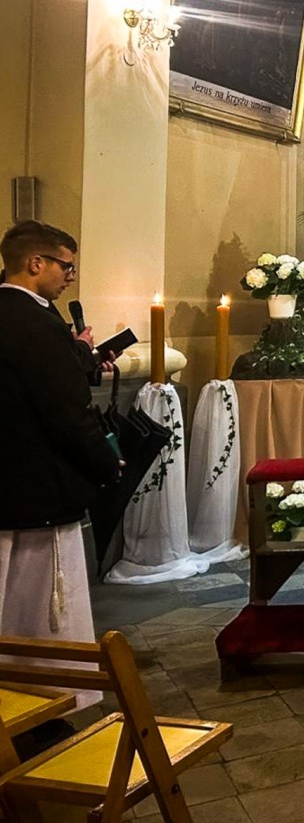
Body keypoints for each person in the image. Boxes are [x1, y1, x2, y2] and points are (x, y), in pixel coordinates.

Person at [0, 220, 123, 709]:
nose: (69, 277)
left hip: (8, 485)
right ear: (36, 264)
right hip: (40, 491)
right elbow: (66, 413)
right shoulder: (37, 322)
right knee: (41, 605)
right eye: (65, 266)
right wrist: (106, 464)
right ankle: (47, 701)